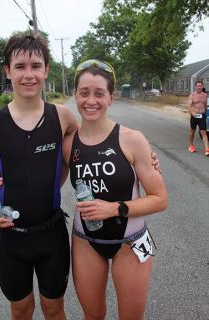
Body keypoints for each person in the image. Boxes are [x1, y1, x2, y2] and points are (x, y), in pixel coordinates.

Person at [0, 33, 78, 320]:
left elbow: (90, 144)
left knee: (54, 309)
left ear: (46, 70)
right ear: (7, 71)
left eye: (35, 66)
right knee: (21, 309)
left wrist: (137, 154)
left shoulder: (62, 117)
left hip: (51, 232)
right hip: (10, 237)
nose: (29, 75)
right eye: (20, 66)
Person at [61, 59, 168, 320]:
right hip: (86, 241)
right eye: (84, 93)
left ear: (111, 97)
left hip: (130, 242)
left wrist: (115, 208)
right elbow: (42, 180)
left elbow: (160, 199)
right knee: (93, 316)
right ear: (75, 95)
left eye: (99, 93)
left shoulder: (132, 139)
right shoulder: (67, 145)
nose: (91, 101)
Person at [188, 80, 209, 156]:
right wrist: (192, 112)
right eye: (198, 86)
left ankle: (207, 149)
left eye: (200, 86)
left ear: (202, 86)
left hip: (202, 116)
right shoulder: (192, 95)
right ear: (195, 87)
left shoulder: (205, 95)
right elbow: (189, 105)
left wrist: (205, 114)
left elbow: (205, 105)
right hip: (194, 115)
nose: (199, 87)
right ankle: (191, 145)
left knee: (203, 132)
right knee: (192, 130)